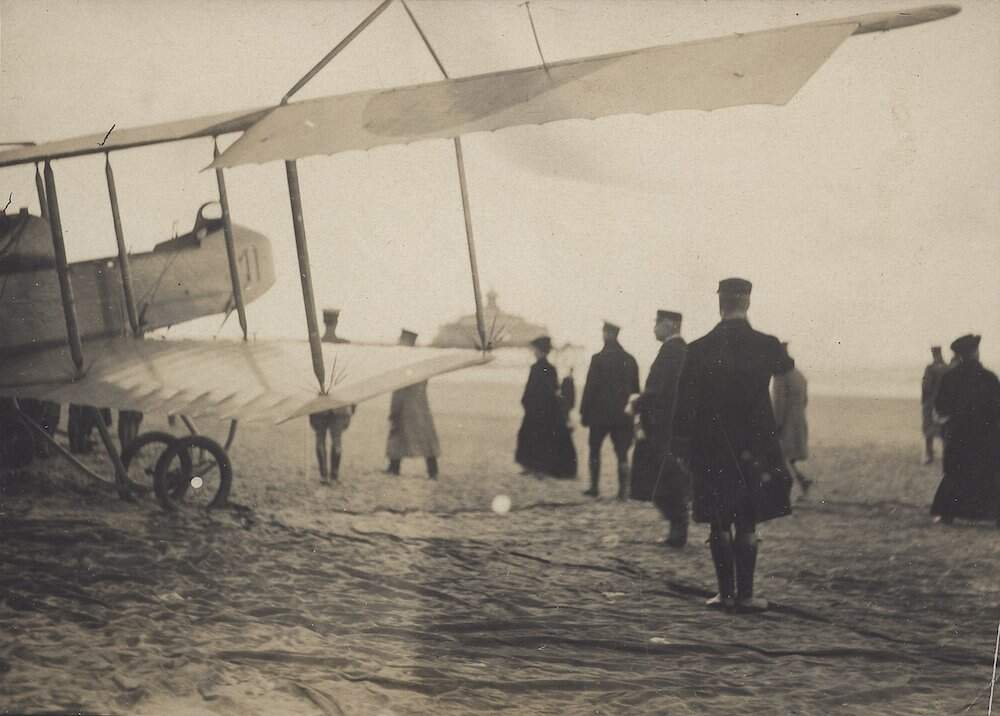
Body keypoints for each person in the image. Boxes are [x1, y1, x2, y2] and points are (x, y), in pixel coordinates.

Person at [675, 278, 792, 613]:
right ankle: (747, 595)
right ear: (748, 303)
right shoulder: (768, 345)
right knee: (748, 520)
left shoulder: (697, 348)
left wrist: (683, 447)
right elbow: (787, 369)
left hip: (712, 445)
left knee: (719, 519)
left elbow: (684, 406)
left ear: (720, 304)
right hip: (756, 446)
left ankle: (724, 594)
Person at [629, 310, 690, 547]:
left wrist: (636, 403)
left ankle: (678, 529)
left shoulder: (672, 352)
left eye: (657, 323)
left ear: (670, 324)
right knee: (665, 478)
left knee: (664, 479)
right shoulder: (679, 350)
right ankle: (677, 528)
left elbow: (659, 391)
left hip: (662, 428)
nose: (654, 328)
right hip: (668, 426)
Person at [930, 334, 1000, 526]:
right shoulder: (989, 378)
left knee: (955, 473)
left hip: (959, 434)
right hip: (986, 434)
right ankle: (995, 516)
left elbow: (941, 407)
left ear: (959, 355)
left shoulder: (949, 377)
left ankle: (947, 515)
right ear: (976, 352)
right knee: (989, 474)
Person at [579, 321, 640, 499]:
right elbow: (636, 391)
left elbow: (590, 387)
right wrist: (636, 413)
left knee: (594, 450)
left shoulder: (597, 359)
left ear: (607, 334)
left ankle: (594, 487)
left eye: (604, 332)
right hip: (623, 416)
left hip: (599, 416)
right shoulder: (630, 359)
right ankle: (622, 492)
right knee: (622, 453)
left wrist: (584, 412)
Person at [515, 335, 578, 478]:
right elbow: (553, 389)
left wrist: (527, 402)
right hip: (544, 409)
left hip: (538, 409)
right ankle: (536, 466)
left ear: (541, 351)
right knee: (538, 437)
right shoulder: (550, 369)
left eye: (535, 350)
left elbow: (534, 390)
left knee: (533, 437)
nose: (534, 353)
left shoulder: (538, 368)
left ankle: (535, 467)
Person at [385, 329, 440, 479]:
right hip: (420, 405)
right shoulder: (420, 361)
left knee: (397, 432)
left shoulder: (403, 361)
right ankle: (432, 469)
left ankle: (394, 467)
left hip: (404, 404)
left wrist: (394, 408)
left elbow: (399, 386)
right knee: (425, 436)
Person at [310, 309, 355, 484]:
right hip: (339, 400)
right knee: (337, 440)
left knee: (319, 438)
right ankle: (335, 476)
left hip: (319, 399)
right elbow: (350, 376)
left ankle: (323, 476)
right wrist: (353, 404)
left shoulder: (315, 344)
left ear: (323, 321)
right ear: (336, 322)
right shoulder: (345, 344)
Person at [771, 343, 812, 497]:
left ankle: (795, 485)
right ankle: (802, 481)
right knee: (789, 457)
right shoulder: (798, 374)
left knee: (782, 457)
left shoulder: (780, 378)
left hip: (787, 421)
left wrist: (776, 425)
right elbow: (805, 400)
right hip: (799, 419)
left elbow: (779, 404)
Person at [921, 346, 949, 465]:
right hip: (945, 403)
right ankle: (946, 455)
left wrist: (924, 400)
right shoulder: (948, 368)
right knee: (944, 430)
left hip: (931, 402)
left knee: (928, 429)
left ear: (933, 354)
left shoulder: (930, 368)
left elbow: (926, 386)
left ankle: (929, 455)